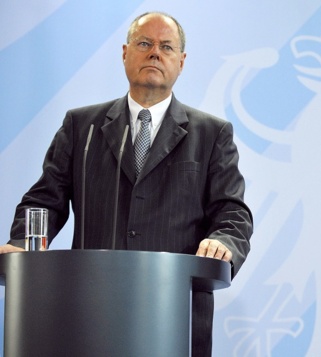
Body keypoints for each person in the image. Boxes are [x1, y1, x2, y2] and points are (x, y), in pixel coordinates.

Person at [1, 12, 253, 357]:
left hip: (173, 314)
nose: (154, 53)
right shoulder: (82, 126)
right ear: (124, 53)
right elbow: (44, 200)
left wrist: (224, 240)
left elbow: (232, 212)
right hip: (89, 311)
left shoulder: (211, 133)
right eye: (144, 44)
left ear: (181, 61)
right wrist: (23, 242)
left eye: (166, 47)